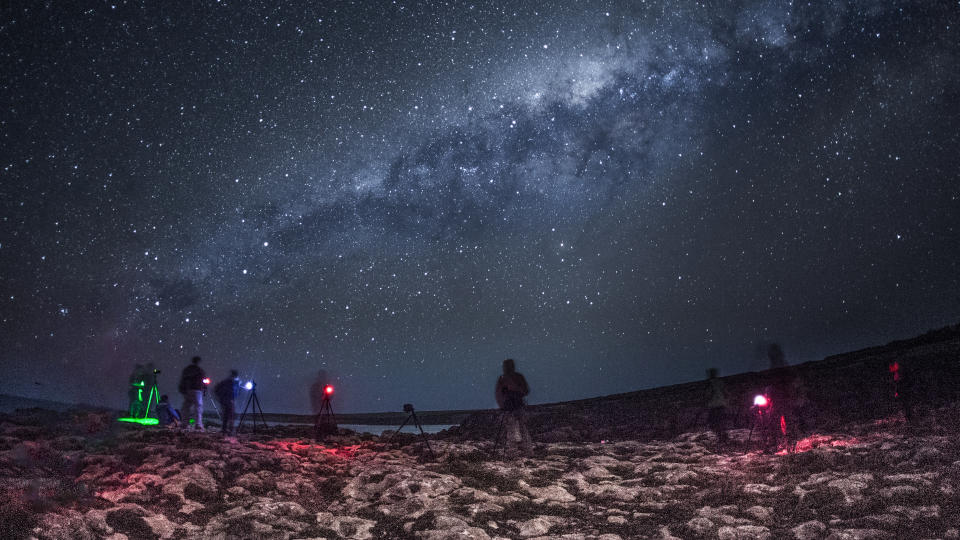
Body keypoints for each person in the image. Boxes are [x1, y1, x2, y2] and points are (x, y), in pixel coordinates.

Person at [495, 358, 533, 456]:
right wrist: (503, 404)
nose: (506, 368)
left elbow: (525, 390)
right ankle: (516, 451)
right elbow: (499, 393)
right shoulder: (504, 378)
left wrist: (513, 390)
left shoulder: (512, 378)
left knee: (520, 428)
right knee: (513, 429)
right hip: (511, 406)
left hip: (517, 406)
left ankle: (524, 451)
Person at [178, 356, 206, 431]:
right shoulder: (200, 370)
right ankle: (198, 424)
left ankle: (184, 423)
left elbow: (183, 379)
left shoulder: (187, 370)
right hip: (197, 390)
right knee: (198, 408)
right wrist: (204, 389)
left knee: (186, 407)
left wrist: (182, 389)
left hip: (188, 390)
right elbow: (204, 380)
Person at [705, 368, 729, 448]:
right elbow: (726, 393)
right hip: (722, 405)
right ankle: (724, 437)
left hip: (713, 406)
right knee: (721, 422)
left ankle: (721, 438)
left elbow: (708, 395)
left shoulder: (709, 384)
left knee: (713, 423)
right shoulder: (721, 382)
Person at [214, 370, 240, 436]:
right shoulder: (231, 383)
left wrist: (220, 398)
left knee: (226, 416)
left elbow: (216, 389)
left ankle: (224, 430)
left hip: (224, 401)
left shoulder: (225, 382)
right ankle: (230, 430)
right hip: (229, 401)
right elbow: (233, 392)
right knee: (231, 416)